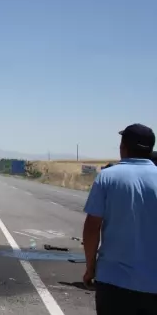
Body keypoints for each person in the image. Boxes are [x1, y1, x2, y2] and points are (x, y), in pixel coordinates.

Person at [83, 123, 157, 314]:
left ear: (123, 146)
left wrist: (90, 267)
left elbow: (92, 227)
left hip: (113, 281)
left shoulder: (107, 177)